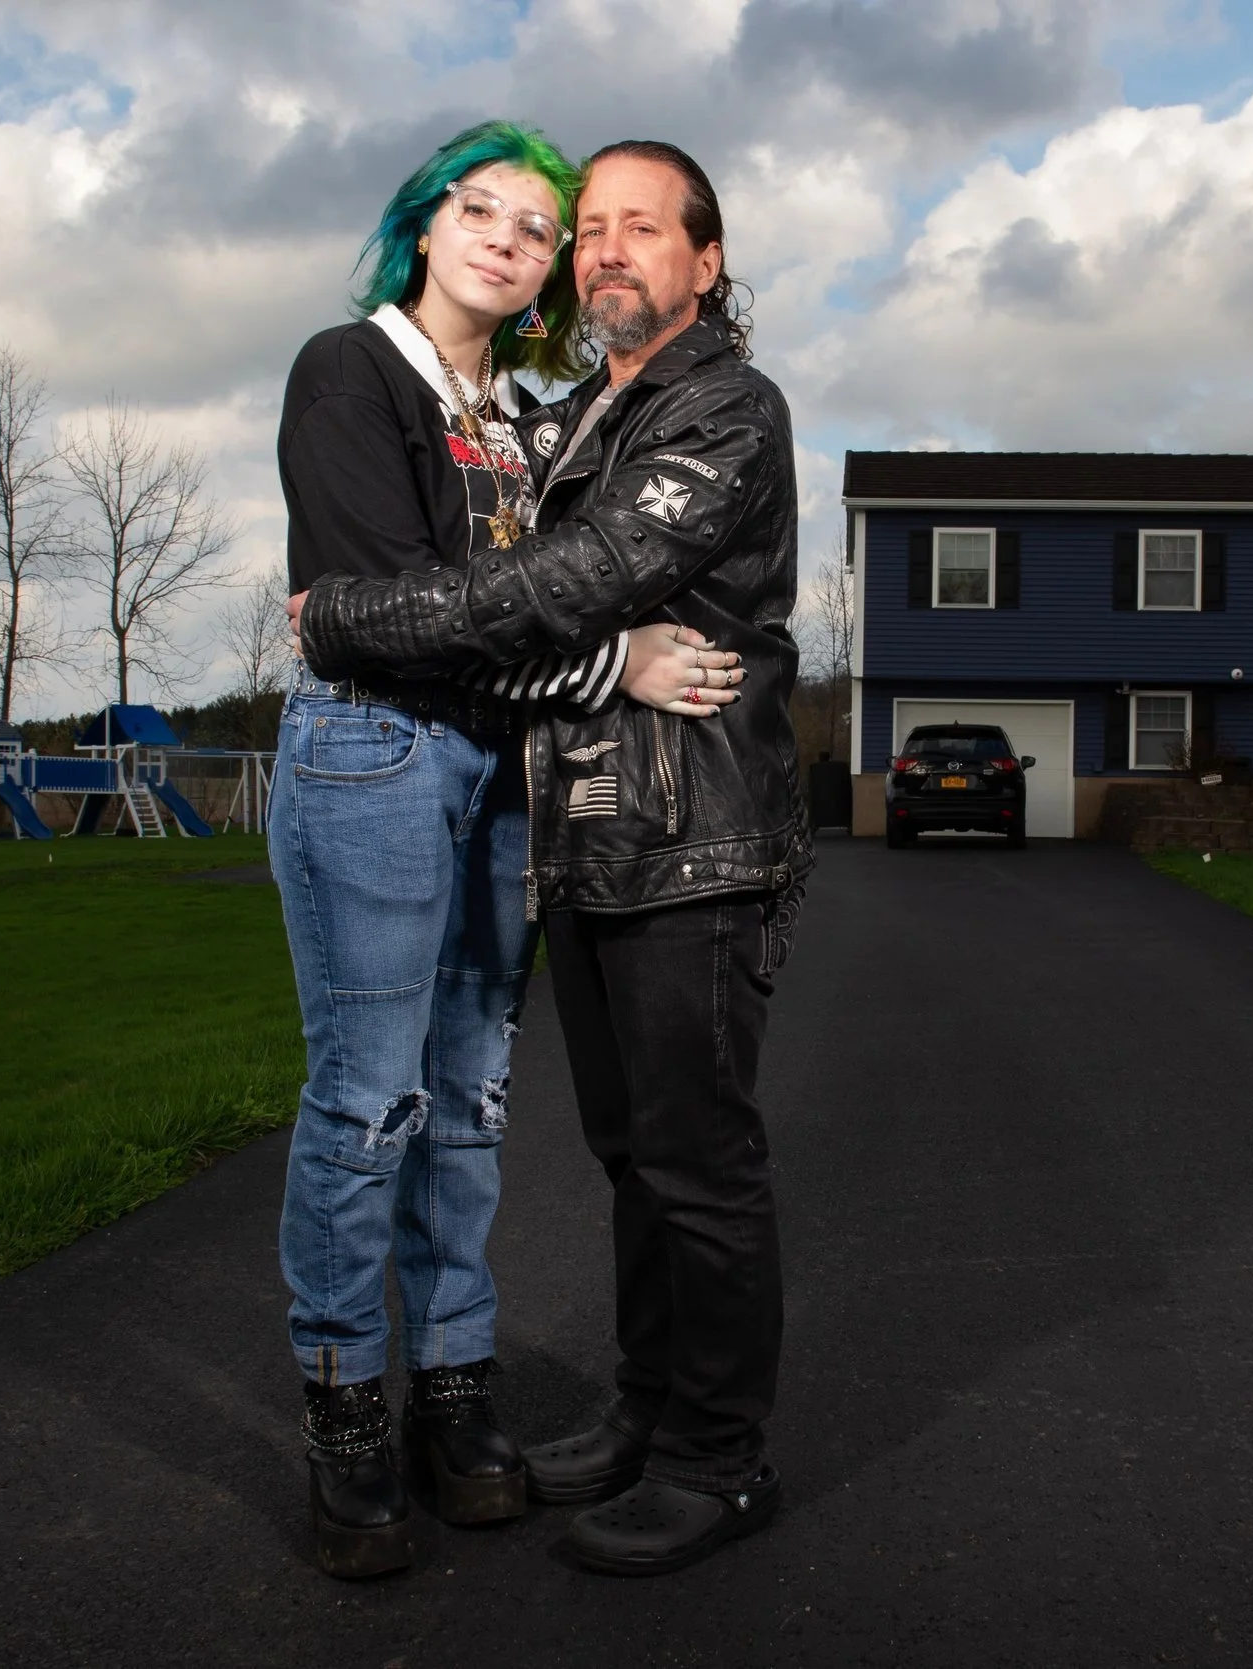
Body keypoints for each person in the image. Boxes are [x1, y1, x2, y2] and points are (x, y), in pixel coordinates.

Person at [294, 139, 807, 1578]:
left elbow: (580, 580)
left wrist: (354, 618)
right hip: (587, 835)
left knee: (699, 1163)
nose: (604, 251)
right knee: (632, 1158)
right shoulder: (576, 413)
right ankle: (648, 1411)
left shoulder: (726, 407)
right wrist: (582, 663)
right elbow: (533, 600)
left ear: (707, 261)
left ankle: (718, 1460)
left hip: (697, 838)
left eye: (643, 227)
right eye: (591, 230)